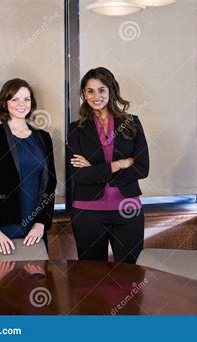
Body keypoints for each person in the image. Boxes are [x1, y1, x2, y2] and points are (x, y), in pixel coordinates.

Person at [68, 67, 149, 264]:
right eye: (90, 91)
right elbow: (79, 175)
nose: (97, 96)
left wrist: (95, 170)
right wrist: (120, 163)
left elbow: (142, 168)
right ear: (84, 95)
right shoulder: (76, 130)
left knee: (130, 275)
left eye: (102, 90)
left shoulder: (132, 123)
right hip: (87, 212)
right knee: (90, 277)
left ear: (111, 90)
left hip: (127, 210)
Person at [0, 78, 57, 255]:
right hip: (3, 225)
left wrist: (41, 223)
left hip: (35, 226)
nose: (22, 104)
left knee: (36, 280)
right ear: (5, 103)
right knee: (2, 280)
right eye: (15, 99)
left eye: (26, 99)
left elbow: (50, 183)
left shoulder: (43, 138)